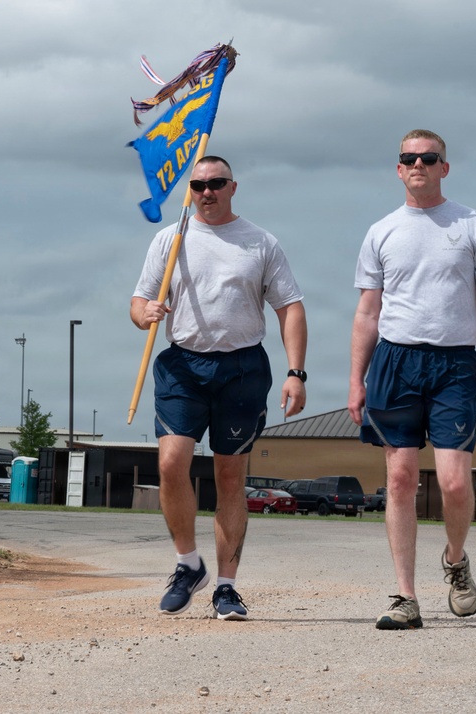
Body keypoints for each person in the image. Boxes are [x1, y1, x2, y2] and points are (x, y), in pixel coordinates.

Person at [348, 129, 476, 630]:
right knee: (399, 479)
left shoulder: (472, 225)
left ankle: (456, 561)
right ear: (398, 169)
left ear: (445, 167)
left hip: (454, 366)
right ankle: (405, 596)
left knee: (453, 483)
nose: (418, 163)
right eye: (408, 158)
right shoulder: (381, 231)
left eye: (428, 157)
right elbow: (367, 312)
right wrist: (357, 379)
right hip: (395, 363)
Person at [131, 155, 308, 620]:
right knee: (172, 463)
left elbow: (289, 307)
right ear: (190, 190)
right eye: (198, 185)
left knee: (230, 476)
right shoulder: (171, 239)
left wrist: (296, 372)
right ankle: (188, 565)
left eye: (216, 183)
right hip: (182, 366)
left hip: (243, 368)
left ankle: (226, 588)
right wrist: (144, 313)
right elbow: (140, 299)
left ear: (233, 187)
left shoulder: (260, 243)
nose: (207, 192)